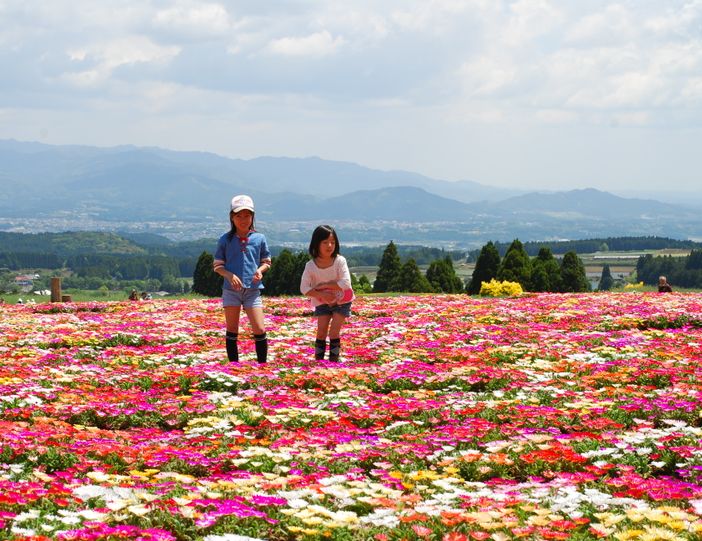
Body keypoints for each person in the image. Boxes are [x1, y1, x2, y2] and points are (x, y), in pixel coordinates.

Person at [213, 194, 271, 363]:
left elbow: (267, 261)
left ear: (253, 216)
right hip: (231, 291)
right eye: (239, 215)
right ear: (232, 217)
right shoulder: (225, 240)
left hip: (253, 290)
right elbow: (217, 266)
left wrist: (260, 270)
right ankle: (233, 366)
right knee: (232, 329)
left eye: (247, 215)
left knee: (259, 328)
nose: (243, 219)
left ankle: (263, 366)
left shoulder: (259, 238)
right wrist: (229, 275)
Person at [300, 225, 355, 362]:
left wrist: (324, 286)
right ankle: (318, 362)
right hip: (322, 302)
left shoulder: (339, 261)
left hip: (342, 301)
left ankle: (333, 362)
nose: (329, 245)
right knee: (321, 331)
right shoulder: (310, 265)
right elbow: (304, 288)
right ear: (316, 243)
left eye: (333, 242)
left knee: (334, 331)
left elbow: (346, 283)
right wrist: (323, 295)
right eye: (325, 242)